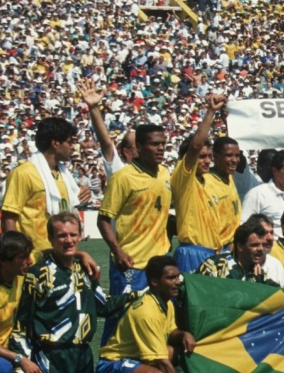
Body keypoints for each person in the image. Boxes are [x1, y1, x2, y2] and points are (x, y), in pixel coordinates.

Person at [9, 213, 140, 373]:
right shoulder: (38, 274)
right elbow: (21, 325)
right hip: (52, 357)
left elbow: (103, 305)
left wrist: (136, 295)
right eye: (61, 236)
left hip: (82, 357)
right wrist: (23, 362)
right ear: (50, 239)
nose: (68, 240)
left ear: (80, 236)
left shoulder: (85, 270)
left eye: (72, 235)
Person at [98, 256, 203, 373]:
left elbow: (170, 332)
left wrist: (184, 334)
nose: (178, 282)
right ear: (154, 282)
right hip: (111, 366)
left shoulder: (165, 302)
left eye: (178, 277)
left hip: (134, 359)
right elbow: (162, 362)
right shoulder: (147, 312)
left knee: (181, 351)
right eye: (171, 278)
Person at [97, 124, 172, 296]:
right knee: (126, 311)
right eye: (154, 144)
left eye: (163, 143)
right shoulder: (122, 178)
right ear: (139, 147)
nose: (161, 148)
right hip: (131, 263)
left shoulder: (165, 173)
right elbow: (103, 220)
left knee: (159, 310)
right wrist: (117, 251)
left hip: (159, 263)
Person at [1, 118, 91, 252]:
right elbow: (8, 218)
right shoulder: (23, 173)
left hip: (59, 255)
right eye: (69, 142)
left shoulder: (65, 176)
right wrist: (17, 255)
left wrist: (83, 195)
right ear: (55, 143)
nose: (73, 147)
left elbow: (69, 209)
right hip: (32, 256)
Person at [171, 94, 229, 273]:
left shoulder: (209, 181)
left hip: (213, 253)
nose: (207, 161)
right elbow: (196, 146)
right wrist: (211, 111)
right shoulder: (183, 178)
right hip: (192, 252)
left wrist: (227, 121)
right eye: (202, 157)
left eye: (209, 156)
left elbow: (231, 154)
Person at [0, 232, 34, 373]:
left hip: (4, 351)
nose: (30, 261)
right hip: (1, 359)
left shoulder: (17, 273)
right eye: (23, 257)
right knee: (2, 368)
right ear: (4, 261)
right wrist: (19, 359)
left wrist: (82, 255)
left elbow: (48, 253)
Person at [196, 220, 284, 286]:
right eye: (254, 245)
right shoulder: (215, 265)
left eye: (263, 244)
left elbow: (278, 291)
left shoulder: (257, 272)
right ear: (240, 247)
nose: (260, 249)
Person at [79, 78, 136, 181]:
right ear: (127, 152)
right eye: (137, 146)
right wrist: (93, 107)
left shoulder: (159, 173)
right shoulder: (120, 171)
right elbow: (106, 143)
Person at [206, 136, 242, 252]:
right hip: (217, 248)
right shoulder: (206, 182)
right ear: (216, 157)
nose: (235, 160)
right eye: (229, 155)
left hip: (232, 245)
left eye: (237, 155)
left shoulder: (230, 177)